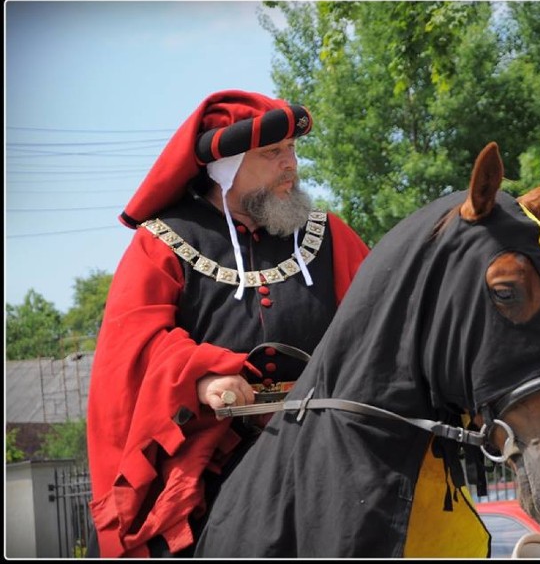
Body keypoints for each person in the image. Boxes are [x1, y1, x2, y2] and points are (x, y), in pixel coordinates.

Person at [85, 89, 370, 557]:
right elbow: (132, 348)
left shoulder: (328, 234)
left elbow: (379, 324)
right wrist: (199, 375)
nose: (290, 165)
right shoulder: (161, 243)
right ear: (227, 167)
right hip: (209, 462)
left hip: (327, 451)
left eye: (292, 150)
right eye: (272, 153)